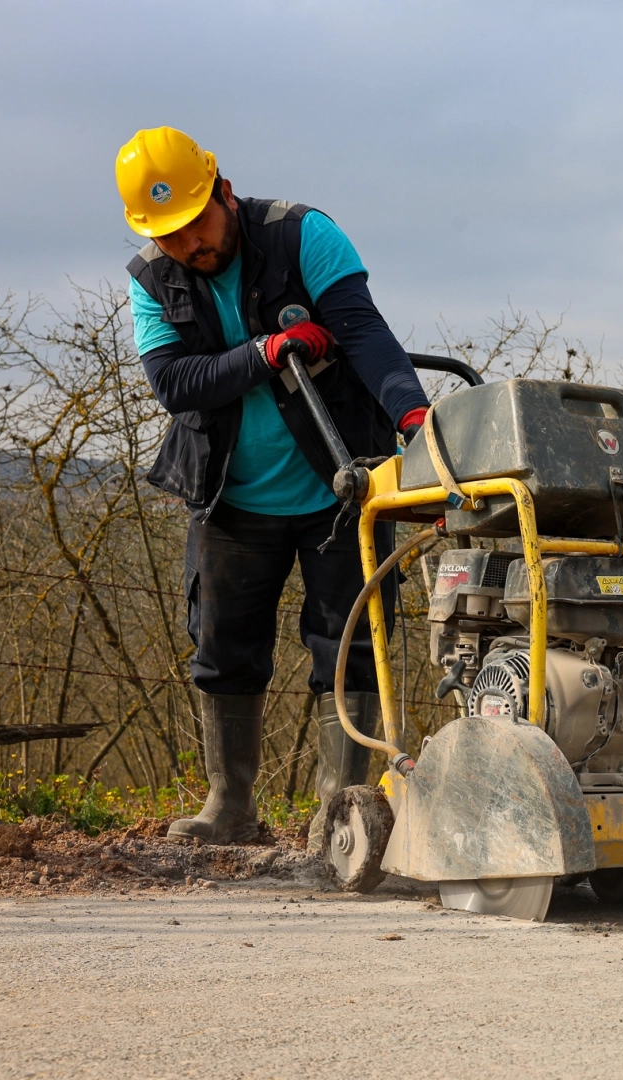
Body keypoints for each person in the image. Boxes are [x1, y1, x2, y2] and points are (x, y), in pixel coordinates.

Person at [117, 127, 428, 849]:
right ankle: (229, 805)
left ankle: (338, 816)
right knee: (222, 649)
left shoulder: (302, 234)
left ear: (223, 191)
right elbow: (175, 383)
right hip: (229, 495)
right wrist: (266, 351)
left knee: (349, 645)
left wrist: (413, 417)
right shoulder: (150, 279)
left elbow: (364, 334)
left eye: (196, 222)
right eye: (169, 235)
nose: (188, 244)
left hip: (339, 487)